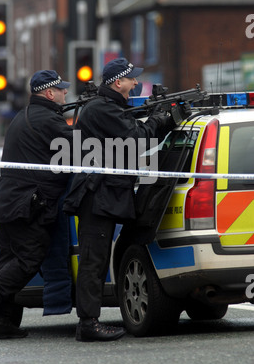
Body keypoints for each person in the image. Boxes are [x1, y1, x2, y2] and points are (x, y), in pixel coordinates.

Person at [64, 57, 191, 342]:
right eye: (132, 78)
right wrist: (163, 120)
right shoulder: (102, 108)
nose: (136, 83)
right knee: (93, 261)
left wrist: (156, 117)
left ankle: (89, 320)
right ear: (117, 82)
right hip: (96, 196)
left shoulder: (108, 108)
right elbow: (136, 138)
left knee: (95, 259)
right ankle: (88, 323)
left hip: (102, 194)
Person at [0, 70, 73, 340]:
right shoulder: (48, 120)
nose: (65, 93)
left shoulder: (22, 117)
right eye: (61, 90)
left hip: (9, 204)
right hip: (29, 206)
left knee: (6, 262)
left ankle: (0, 321)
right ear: (49, 93)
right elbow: (82, 148)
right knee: (28, 259)